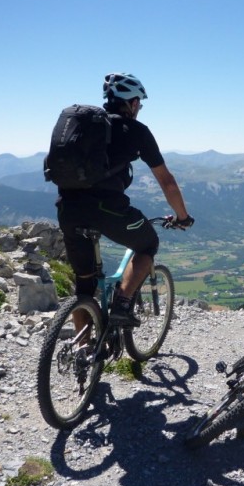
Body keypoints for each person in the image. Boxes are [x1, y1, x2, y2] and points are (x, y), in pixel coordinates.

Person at [55, 72, 194, 327]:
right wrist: (182, 217)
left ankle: (85, 353)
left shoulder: (85, 128)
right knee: (148, 244)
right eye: (139, 102)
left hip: (67, 208)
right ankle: (122, 305)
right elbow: (167, 181)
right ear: (131, 103)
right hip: (107, 209)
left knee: (84, 283)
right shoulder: (137, 131)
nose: (139, 107)